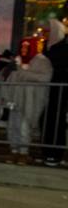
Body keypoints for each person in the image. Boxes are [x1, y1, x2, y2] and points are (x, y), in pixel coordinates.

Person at [0, 37, 53, 163]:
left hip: (30, 99)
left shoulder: (42, 61)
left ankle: (23, 152)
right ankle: (13, 151)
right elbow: (7, 77)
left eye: (26, 47)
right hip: (15, 98)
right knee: (13, 125)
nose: (23, 49)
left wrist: (23, 73)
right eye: (22, 46)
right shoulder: (16, 60)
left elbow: (45, 77)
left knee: (24, 126)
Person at [43, 18, 68, 166]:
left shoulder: (61, 48)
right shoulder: (50, 47)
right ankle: (48, 151)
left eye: (48, 31)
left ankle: (54, 154)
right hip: (52, 90)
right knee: (49, 119)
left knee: (56, 120)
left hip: (59, 91)